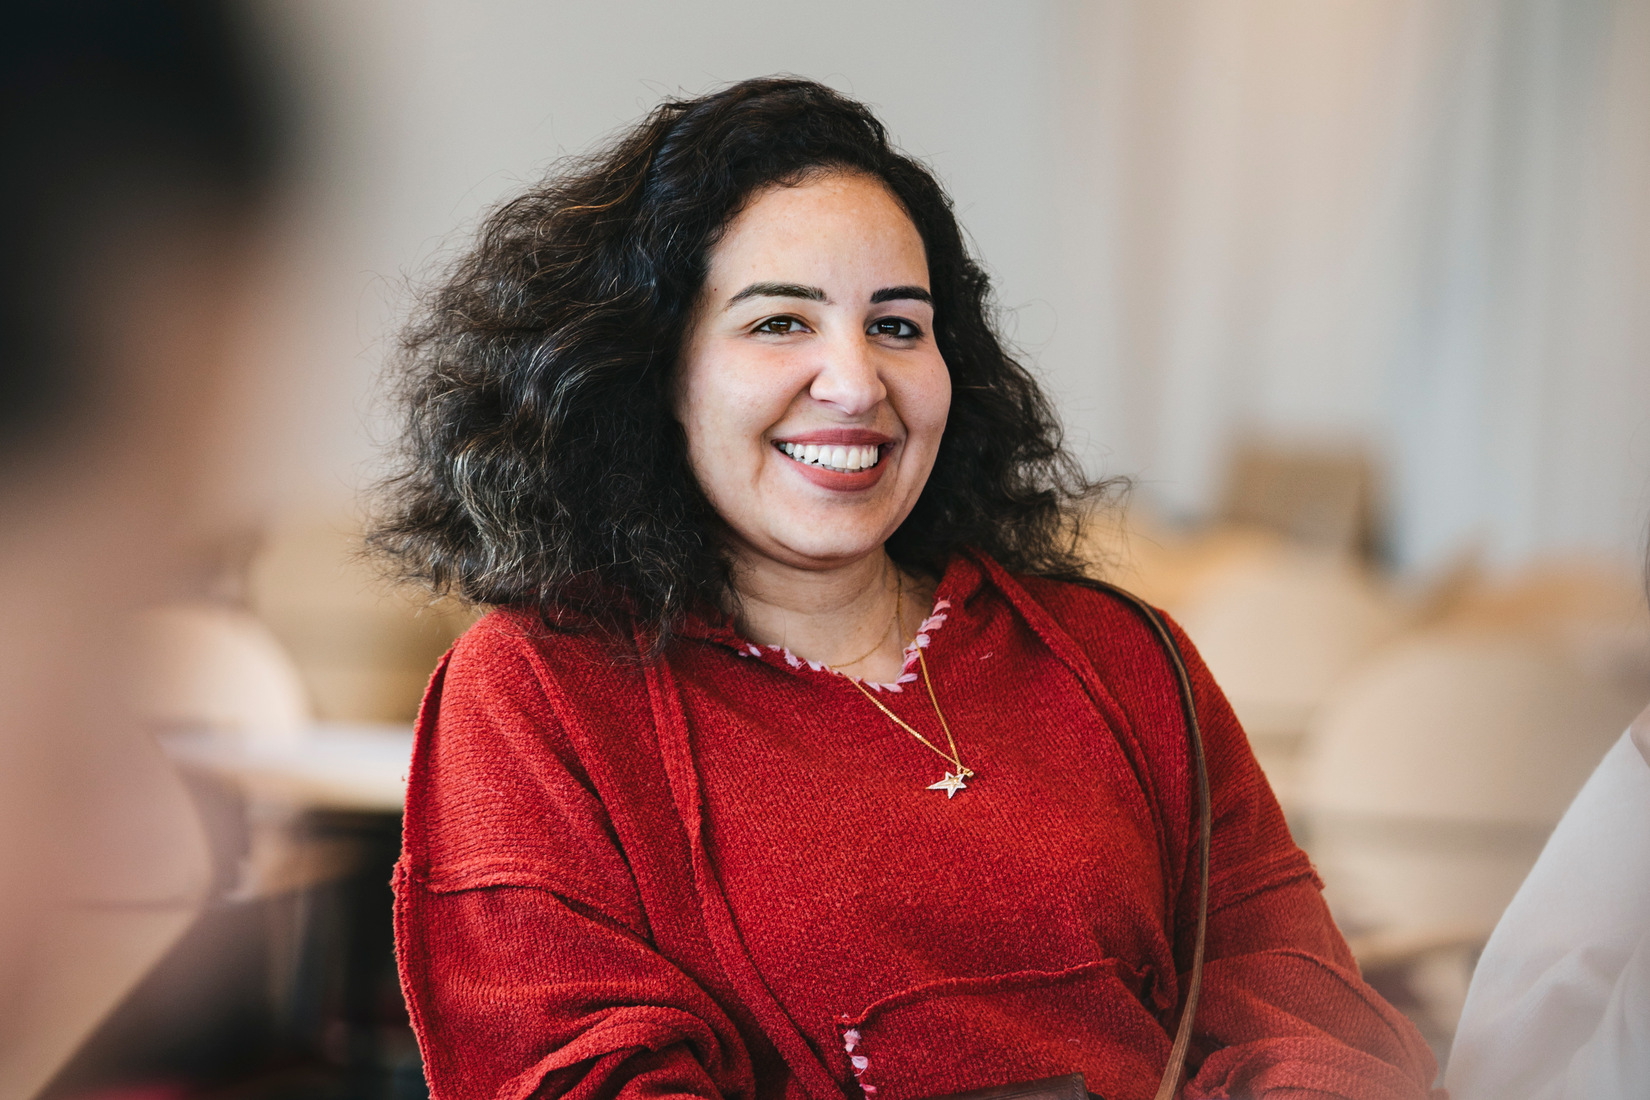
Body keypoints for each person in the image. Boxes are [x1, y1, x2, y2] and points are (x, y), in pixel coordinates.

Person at [374, 77, 1438, 1100]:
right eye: (779, 322)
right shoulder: (537, 689)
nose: (855, 382)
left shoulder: (1123, 656)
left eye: (897, 324)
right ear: (655, 373)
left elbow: (1313, 1024)